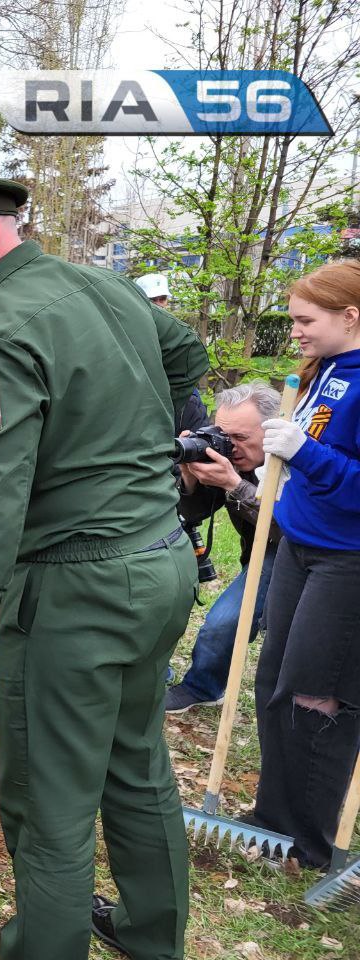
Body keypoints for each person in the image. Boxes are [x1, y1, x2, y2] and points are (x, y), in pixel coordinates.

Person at [0, 173, 208, 960]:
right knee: (136, 767)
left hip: (77, 592)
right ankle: (151, 939)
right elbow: (187, 353)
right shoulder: (103, 290)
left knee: (48, 804)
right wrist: (141, 440)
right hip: (160, 565)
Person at [250, 259, 360, 869]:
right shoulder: (326, 369)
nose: (293, 330)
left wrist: (307, 455)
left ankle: (310, 843)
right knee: (274, 681)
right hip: (299, 543)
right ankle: (273, 818)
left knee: (316, 697)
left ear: (350, 317)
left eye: (303, 320)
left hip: (348, 559)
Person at [165, 383, 282, 714]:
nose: (231, 447)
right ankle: (203, 688)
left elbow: (287, 525)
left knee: (227, 621)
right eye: (224, 435)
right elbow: (193, 512)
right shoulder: (234, 459)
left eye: (241, 438)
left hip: (296, 550)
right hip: (260, 550)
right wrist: (189, 476)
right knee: (224, 622)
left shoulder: (293, 456)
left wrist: (234, 484)